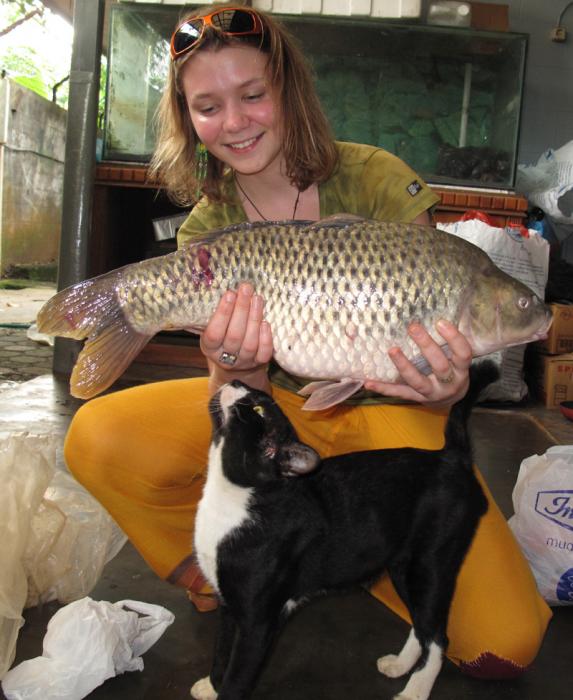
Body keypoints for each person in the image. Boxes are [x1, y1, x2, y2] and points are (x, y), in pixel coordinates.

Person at [65, 3, 550, 681]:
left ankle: (363, 554)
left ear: (288, 89)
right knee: (97, 437)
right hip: (283, 420)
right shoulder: (208, 228)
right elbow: (238, 408)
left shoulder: (375, 176)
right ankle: (222, 574)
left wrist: (444, 390)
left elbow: (431, 350)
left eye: (253, 95)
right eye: (207, 106)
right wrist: (237, 365)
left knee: (505, 645)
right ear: (189, 121)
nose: (233, 122)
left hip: (392, 422)